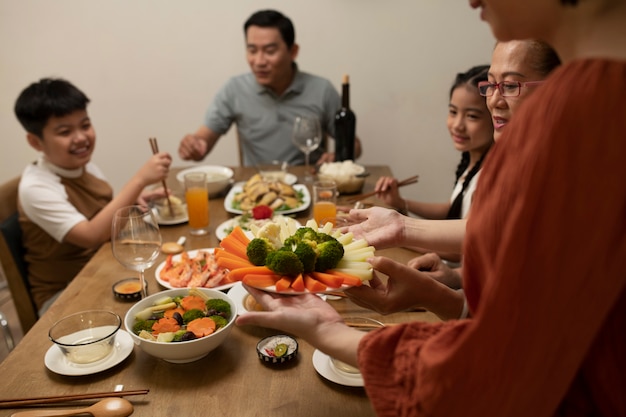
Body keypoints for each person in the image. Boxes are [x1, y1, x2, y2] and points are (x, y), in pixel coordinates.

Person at [236, 0, 626, 413]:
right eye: (490, 85)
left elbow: (500, 368)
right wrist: (408, 233)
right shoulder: (582, 99)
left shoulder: (593, 112)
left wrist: (330, 332)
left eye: (510, 85)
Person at [14, 78, 172, 314]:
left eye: (85, 125)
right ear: (35, 141)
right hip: (64, 294)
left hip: (101, 269)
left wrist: (134, 199)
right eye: (65, 131)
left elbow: (104, 220)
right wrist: (138, 181)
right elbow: (91, 235)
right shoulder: (35, 187)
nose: (80, 137)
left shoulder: (82, 167)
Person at [178, 9, 362, 168]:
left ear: (293, 51)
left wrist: (338, 157)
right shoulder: (234, 89)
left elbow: (354, 145)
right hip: (255, 189)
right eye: (252, 50)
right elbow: (203, 141)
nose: (259, 61)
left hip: (309, 184)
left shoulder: (322, 89)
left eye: (270, 51)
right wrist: (194, 145)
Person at [375, 65, 493, 221]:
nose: (457, 125)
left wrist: (400, 228)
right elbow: (453, 210)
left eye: (472, 116)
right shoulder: (472, 161)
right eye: (453, 112)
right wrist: (400, 202)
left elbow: (462, 237)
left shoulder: (491, 174)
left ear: (496, 116)